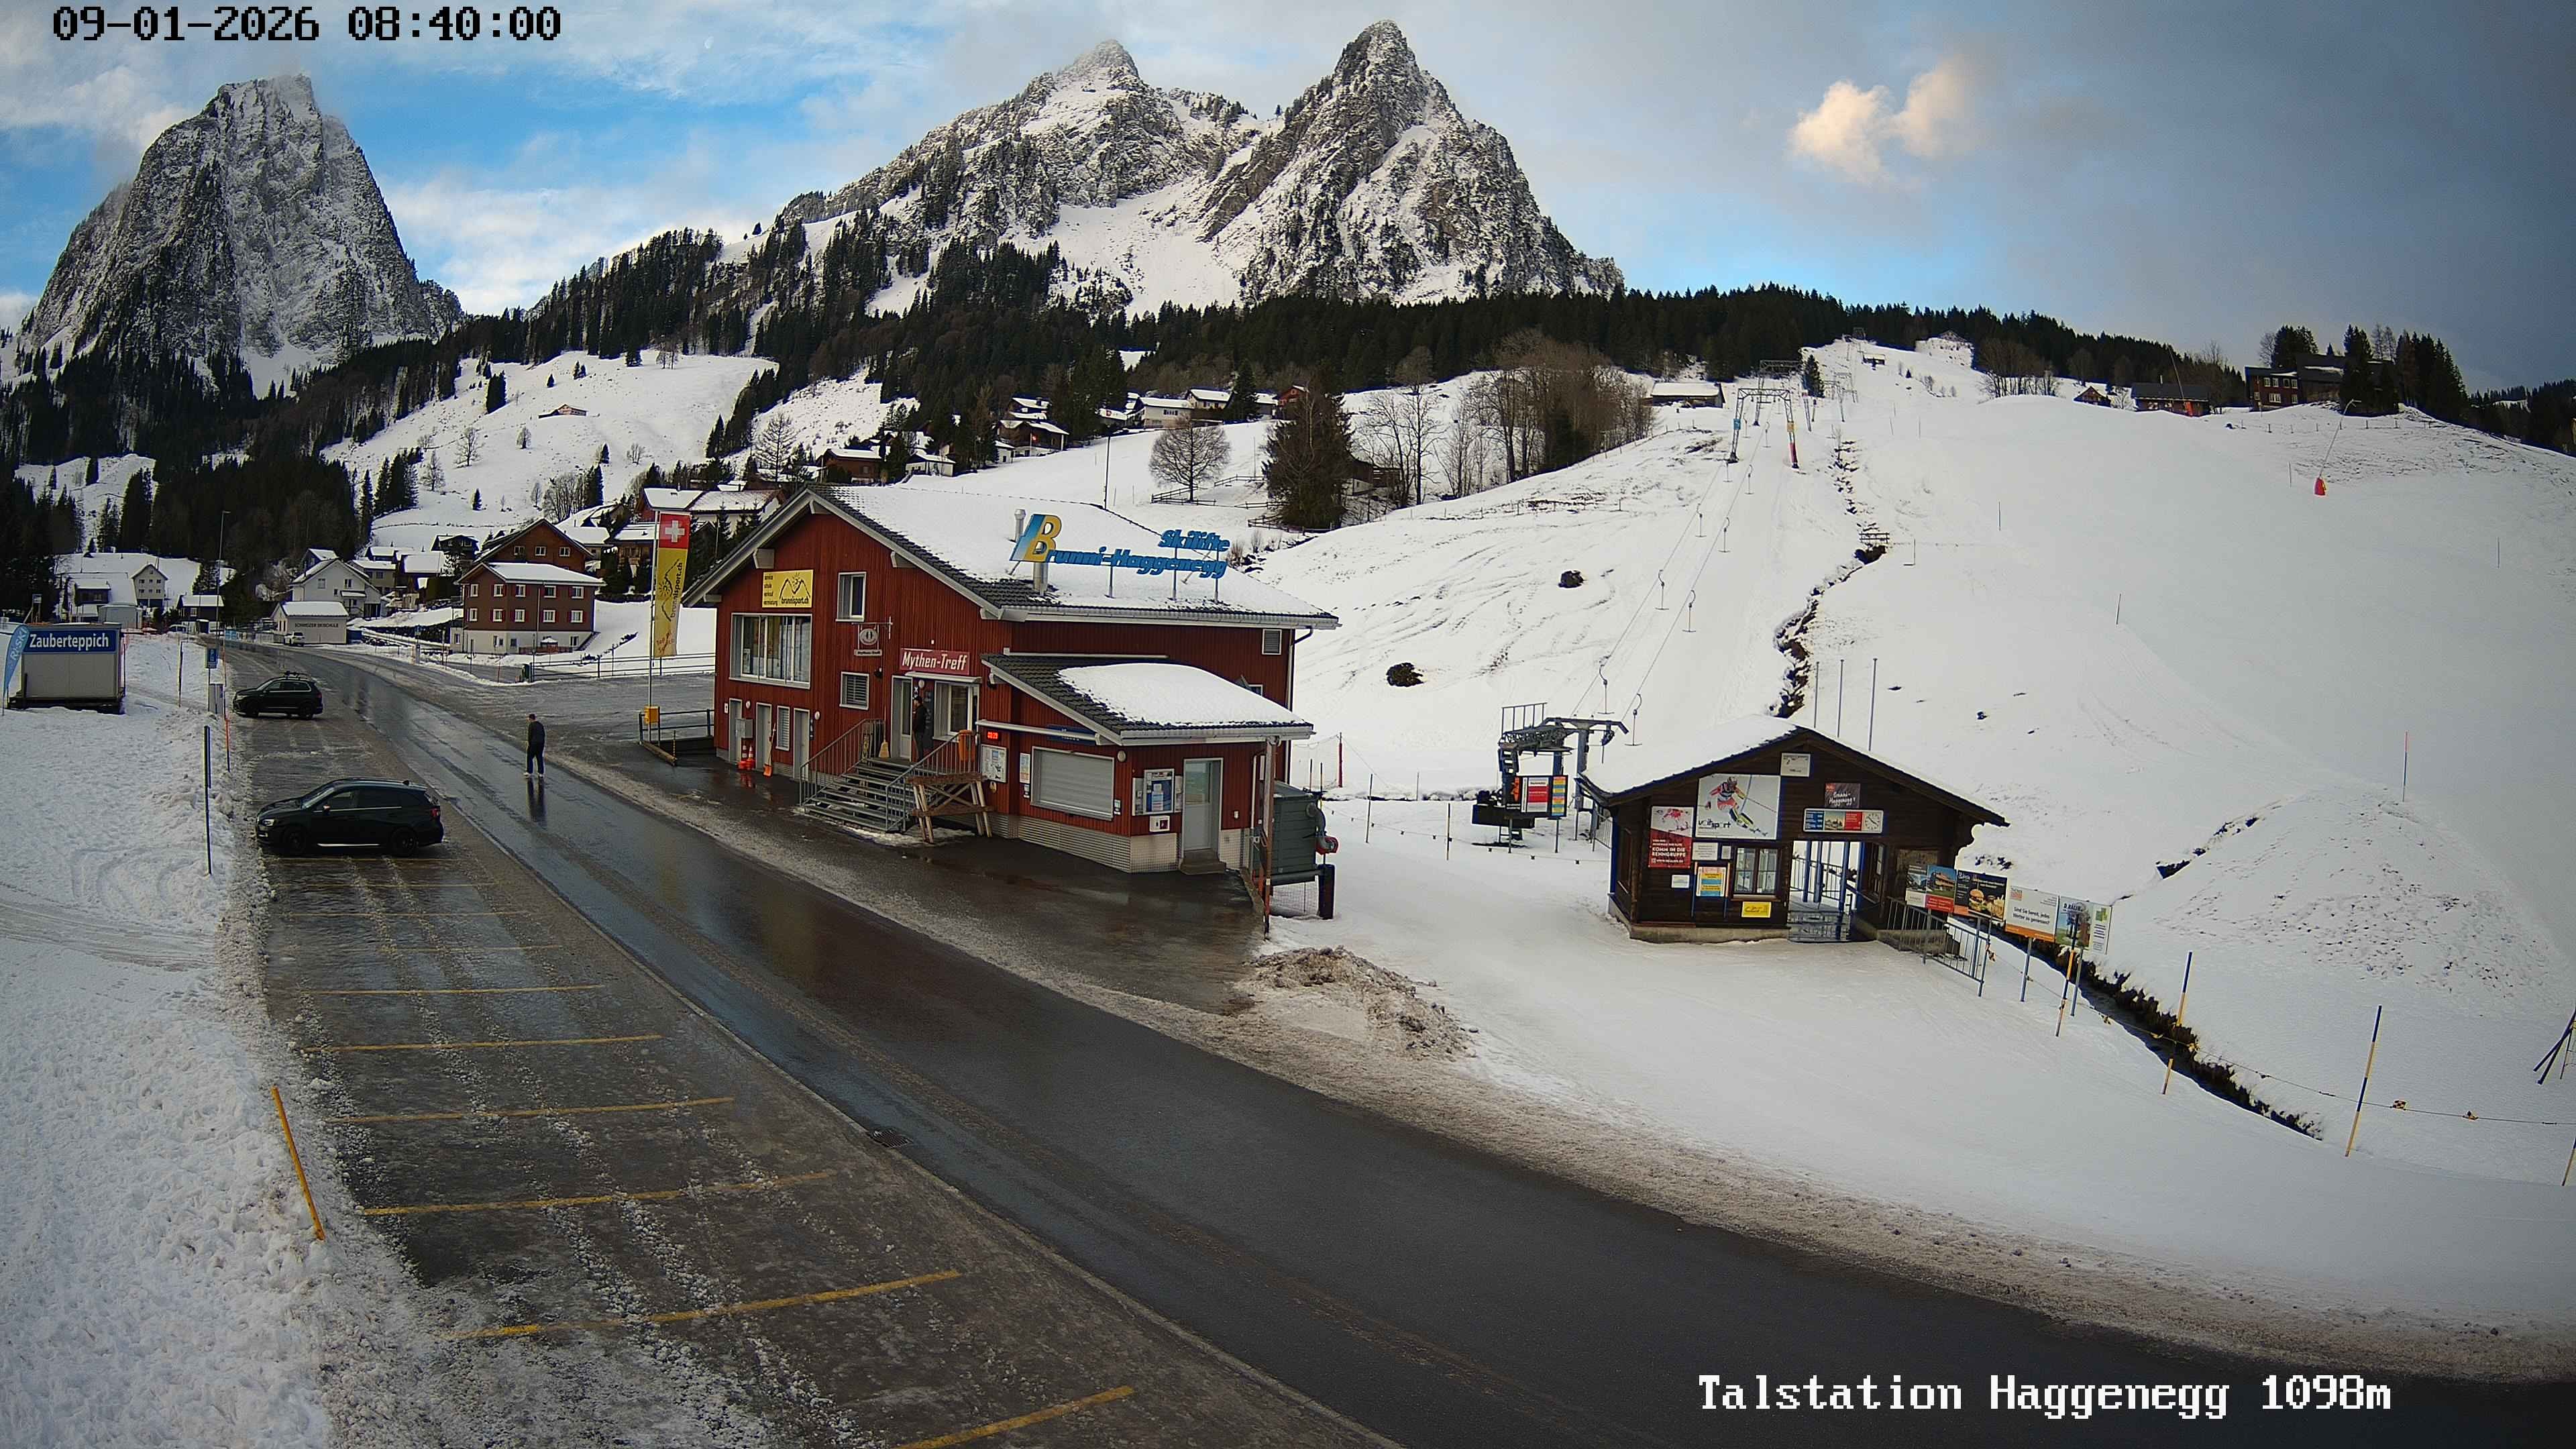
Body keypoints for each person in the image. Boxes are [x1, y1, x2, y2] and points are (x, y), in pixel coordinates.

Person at [525, 712, 546, 777]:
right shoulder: (540, 725)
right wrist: (543, 744)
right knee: (539, 757)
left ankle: (529, 772)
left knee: (530, 757)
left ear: (531, 719)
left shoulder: (531, 725)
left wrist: (529, 744)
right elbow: (543, 734)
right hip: (541, 744)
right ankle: (541, 773)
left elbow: (530, 736)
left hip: (534, 743)